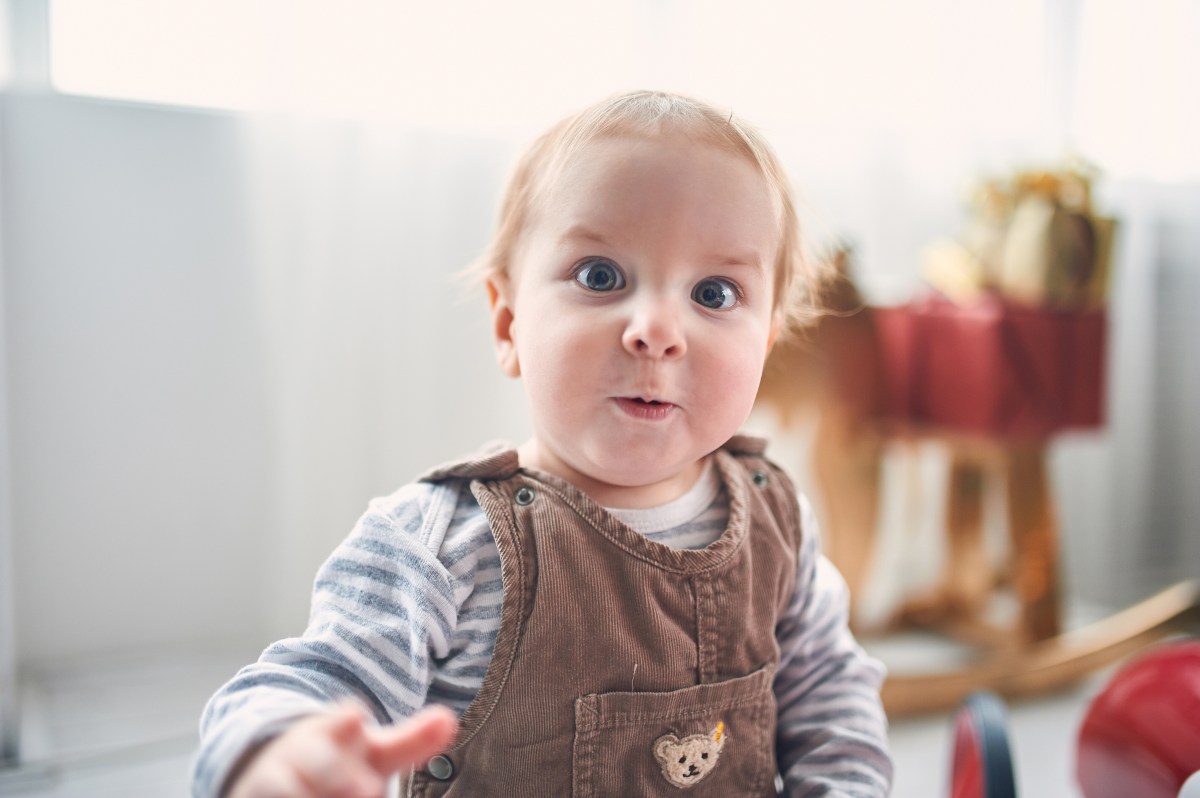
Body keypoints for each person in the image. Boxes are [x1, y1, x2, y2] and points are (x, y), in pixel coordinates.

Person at [193, 90, 893, 797]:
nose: (656, 328)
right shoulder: (443, 545)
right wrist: (282, 753)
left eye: (714, 293)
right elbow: (317, 678)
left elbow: (831, 699)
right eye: (600, 276)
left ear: (767, 343)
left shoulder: (781, 523)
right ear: (508, 324)